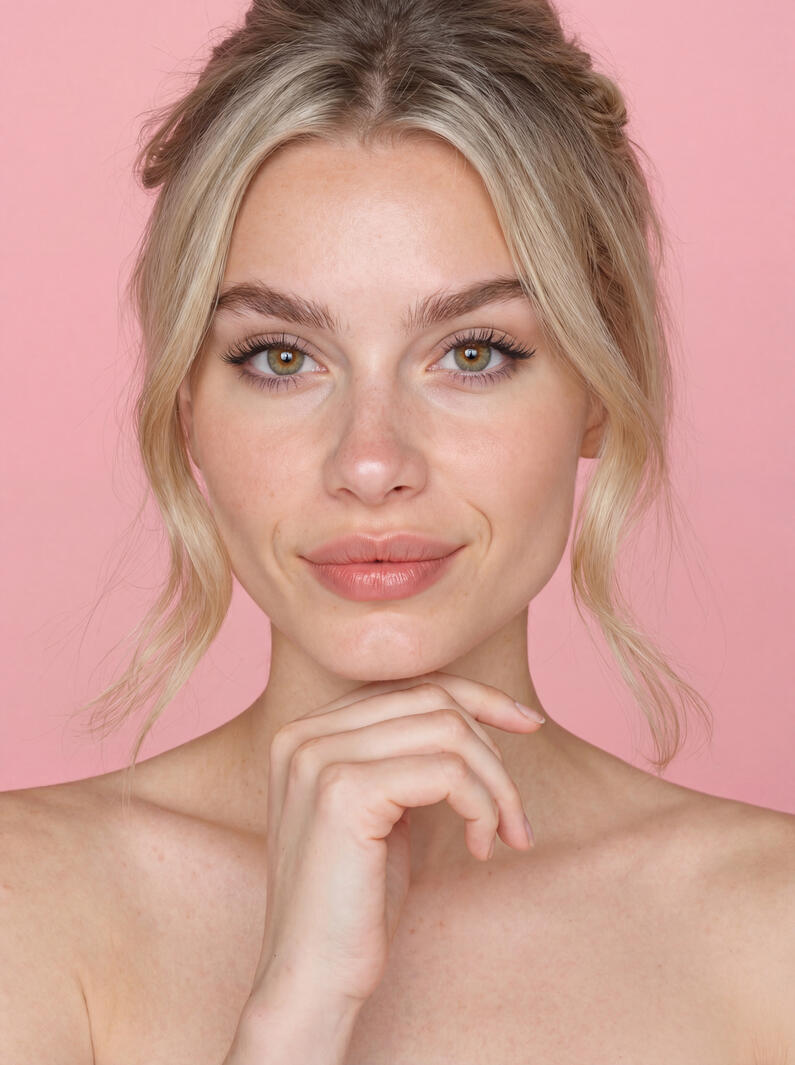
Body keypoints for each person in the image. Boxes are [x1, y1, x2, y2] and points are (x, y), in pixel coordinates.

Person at [2, 0, 793, 1061]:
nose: (371, 464)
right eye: (280, 357)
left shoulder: (767, 933)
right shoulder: (29, 909)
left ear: (601, 388)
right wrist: (296, 1011)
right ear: (188, 402)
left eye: (474, 352)